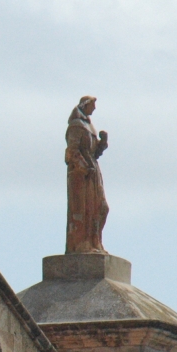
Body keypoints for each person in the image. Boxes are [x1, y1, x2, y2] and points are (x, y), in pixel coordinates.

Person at [65, 95, 109, 253]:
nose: (95, 108)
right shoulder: (76, 126)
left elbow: (94, 152)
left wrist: (102, 143)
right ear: (86, 105)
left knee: (101, 208)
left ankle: (95, 241)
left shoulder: (88, 126)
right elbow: (72, 151)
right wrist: (83, 167)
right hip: (81, 175)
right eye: (93, 105)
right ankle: (82, 244)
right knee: (85, 210)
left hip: (93, 172)